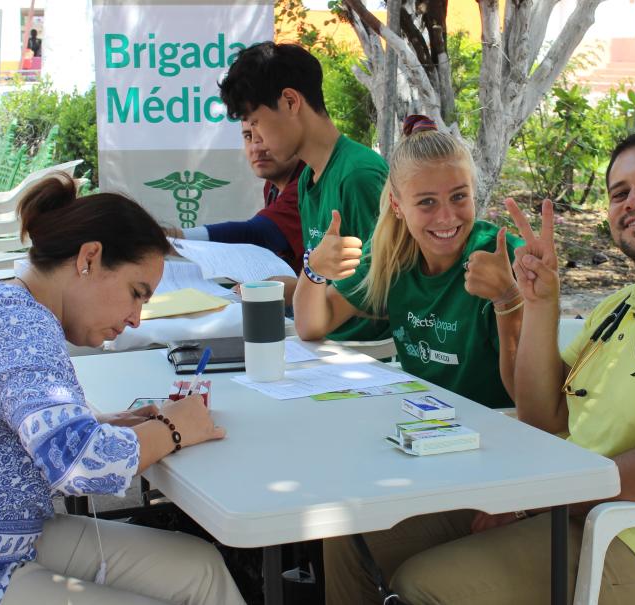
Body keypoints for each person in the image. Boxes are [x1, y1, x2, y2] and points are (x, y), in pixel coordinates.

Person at [324, 129, 635, 605]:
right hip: (562, 504)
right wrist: (539, 302)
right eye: (620, 193)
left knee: (425, 585)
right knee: (352, 538)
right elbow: (542, 416)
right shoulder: (620, 308)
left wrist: (535, 500)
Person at [0, 173, 245, 605]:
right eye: (136, 293)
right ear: (89, 258)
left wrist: (103, 424)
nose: (135, 318)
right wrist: (172, 427)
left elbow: (13, 432)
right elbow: (81, 465)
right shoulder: (19, 325)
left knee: (201, 570)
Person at [294, 115, 523, 409]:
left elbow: (529, 399)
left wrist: (509, 300)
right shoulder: (394, 259)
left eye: (459, 197)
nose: (446, 216)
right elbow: (311, 325)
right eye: (427, 201)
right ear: (397, 205)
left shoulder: (504, 258)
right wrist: (314, 268)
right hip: (422, 424)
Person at [220, 41, 390, 342]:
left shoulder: (358, 174)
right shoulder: (306, 179)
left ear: (289, 101)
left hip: (360, 355)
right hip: (319, 343)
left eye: (257, 121)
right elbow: (329, 277)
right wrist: (296, 285)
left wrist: (305, 290)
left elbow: (383, 290)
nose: (256, 139)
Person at [167, 120, 305, 303]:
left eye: (266, 135)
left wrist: (176, 238)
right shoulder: (272, 186)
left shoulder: (308, 182)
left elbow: (260, 233)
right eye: (249, 136)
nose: (257, 147)